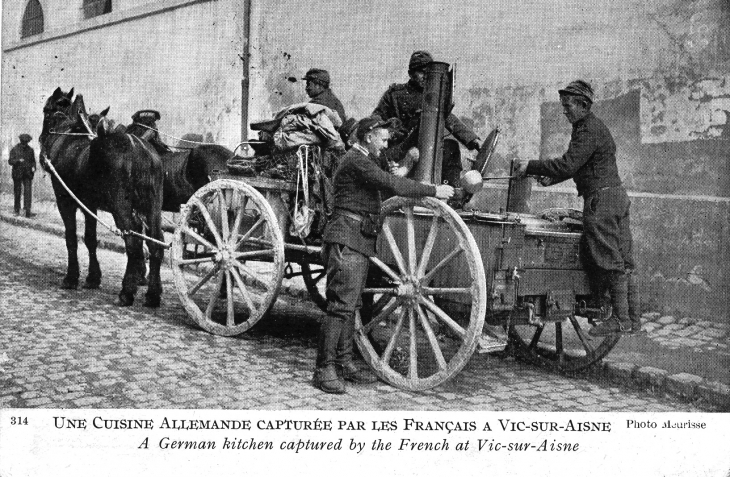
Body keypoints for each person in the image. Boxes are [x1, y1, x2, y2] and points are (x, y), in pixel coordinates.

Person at [314, 116, 455, 394]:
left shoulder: (365, 158)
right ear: (367, 136)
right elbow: (390, 184)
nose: (386, 143)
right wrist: (433, 191)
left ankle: (343, 362)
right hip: (347, 237)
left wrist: (400, 165)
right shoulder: (355, 159)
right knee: (340, 305)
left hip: (358, 237)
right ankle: (324, 368)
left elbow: (388, 175)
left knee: (351, 304)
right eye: (383, 138)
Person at [514, 80, 641, 336]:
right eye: (563, 105)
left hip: (601, 203)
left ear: (583, 106)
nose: (565, 111)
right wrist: (553, 178)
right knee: (624, 262)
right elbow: (581, 165)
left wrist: (531, 166)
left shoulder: (587, 130)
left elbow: (568, 164)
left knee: (609, 261)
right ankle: (633, 320)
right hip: (616, 197)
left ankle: (619, 319)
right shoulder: (591, 128)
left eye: (568, 105)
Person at [373, 50, 482, 186]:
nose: (425, 76)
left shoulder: (433, 97)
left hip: (426, 149)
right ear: (410, 74)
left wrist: (472, 139)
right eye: (421, 72)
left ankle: (453, 191)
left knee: (451, 147)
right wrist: (390, 130)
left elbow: (448, 118)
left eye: (428, 72)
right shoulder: (394, 95)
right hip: (402, 150)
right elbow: (376, 119)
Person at [8, 133, 36, 218]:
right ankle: (17, 210)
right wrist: (17, 160)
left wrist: (34, 167)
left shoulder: (30, 150)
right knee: (17, 192)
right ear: (21, 141)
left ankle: (27, 211)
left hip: (27, 174)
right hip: (17, 174)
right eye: (24, 142)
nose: (25, 144)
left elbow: (33, 161)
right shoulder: (15, 149)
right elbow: (10, 161)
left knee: (28, 193)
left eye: (27, 142)